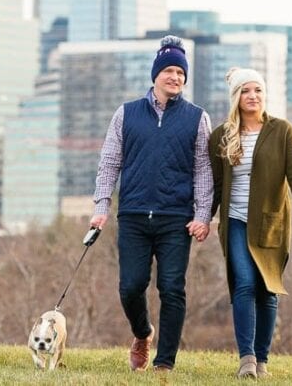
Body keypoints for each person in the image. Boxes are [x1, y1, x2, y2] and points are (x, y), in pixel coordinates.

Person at [89, 35, 213, 373]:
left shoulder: (197, 118)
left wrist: (203, 215)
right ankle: (142, 334)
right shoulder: (126, 114)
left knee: (172, 288)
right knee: (130, 287)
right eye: (169, 71)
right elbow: (109, 162)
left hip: (177, 218)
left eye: (181, 73)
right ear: (155, 74)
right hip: (133, 216)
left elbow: (204, 169)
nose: (175, 77)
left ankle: (164, 364)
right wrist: (101, 206)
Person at [209, 67, 292, 379]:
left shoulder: (282, 131)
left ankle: (262, 360)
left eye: (257, 90)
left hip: (271, 224)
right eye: (246, 91)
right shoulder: (221, 136)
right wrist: (203, 218)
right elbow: (215, 186)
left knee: (267, 289)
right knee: (244, 283)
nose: (253, 96)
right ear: (236, 97)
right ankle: (246, 359)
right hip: (235, 221)